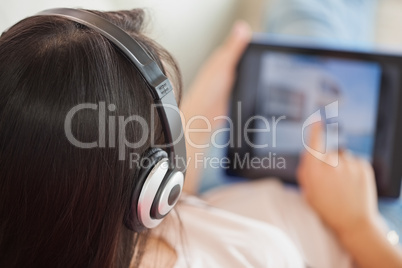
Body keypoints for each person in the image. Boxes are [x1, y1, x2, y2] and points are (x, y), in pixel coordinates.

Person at [0, 8, 401, 268]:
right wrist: (358, 226)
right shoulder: (261, 257)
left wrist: (195, 116)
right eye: (164, 137)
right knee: (316, 20)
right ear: (154, 193)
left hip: (217, 201)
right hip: (351, 220)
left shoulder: (79, 237)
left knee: (302, 29)